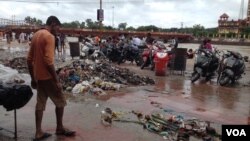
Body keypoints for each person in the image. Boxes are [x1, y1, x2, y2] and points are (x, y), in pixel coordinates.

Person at [27, 16, 75, 141]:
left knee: (40, 103)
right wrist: (56, 80)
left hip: (39, 77)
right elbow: (49, 62)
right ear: (53, 24)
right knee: (61, 101)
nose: (58, 30)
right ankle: (59, 128)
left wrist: (33, 78)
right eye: (58, 27)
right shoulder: (49, 36)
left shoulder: (36, 34)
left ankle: (38, 132)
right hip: (48, 77)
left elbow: (29, 59)